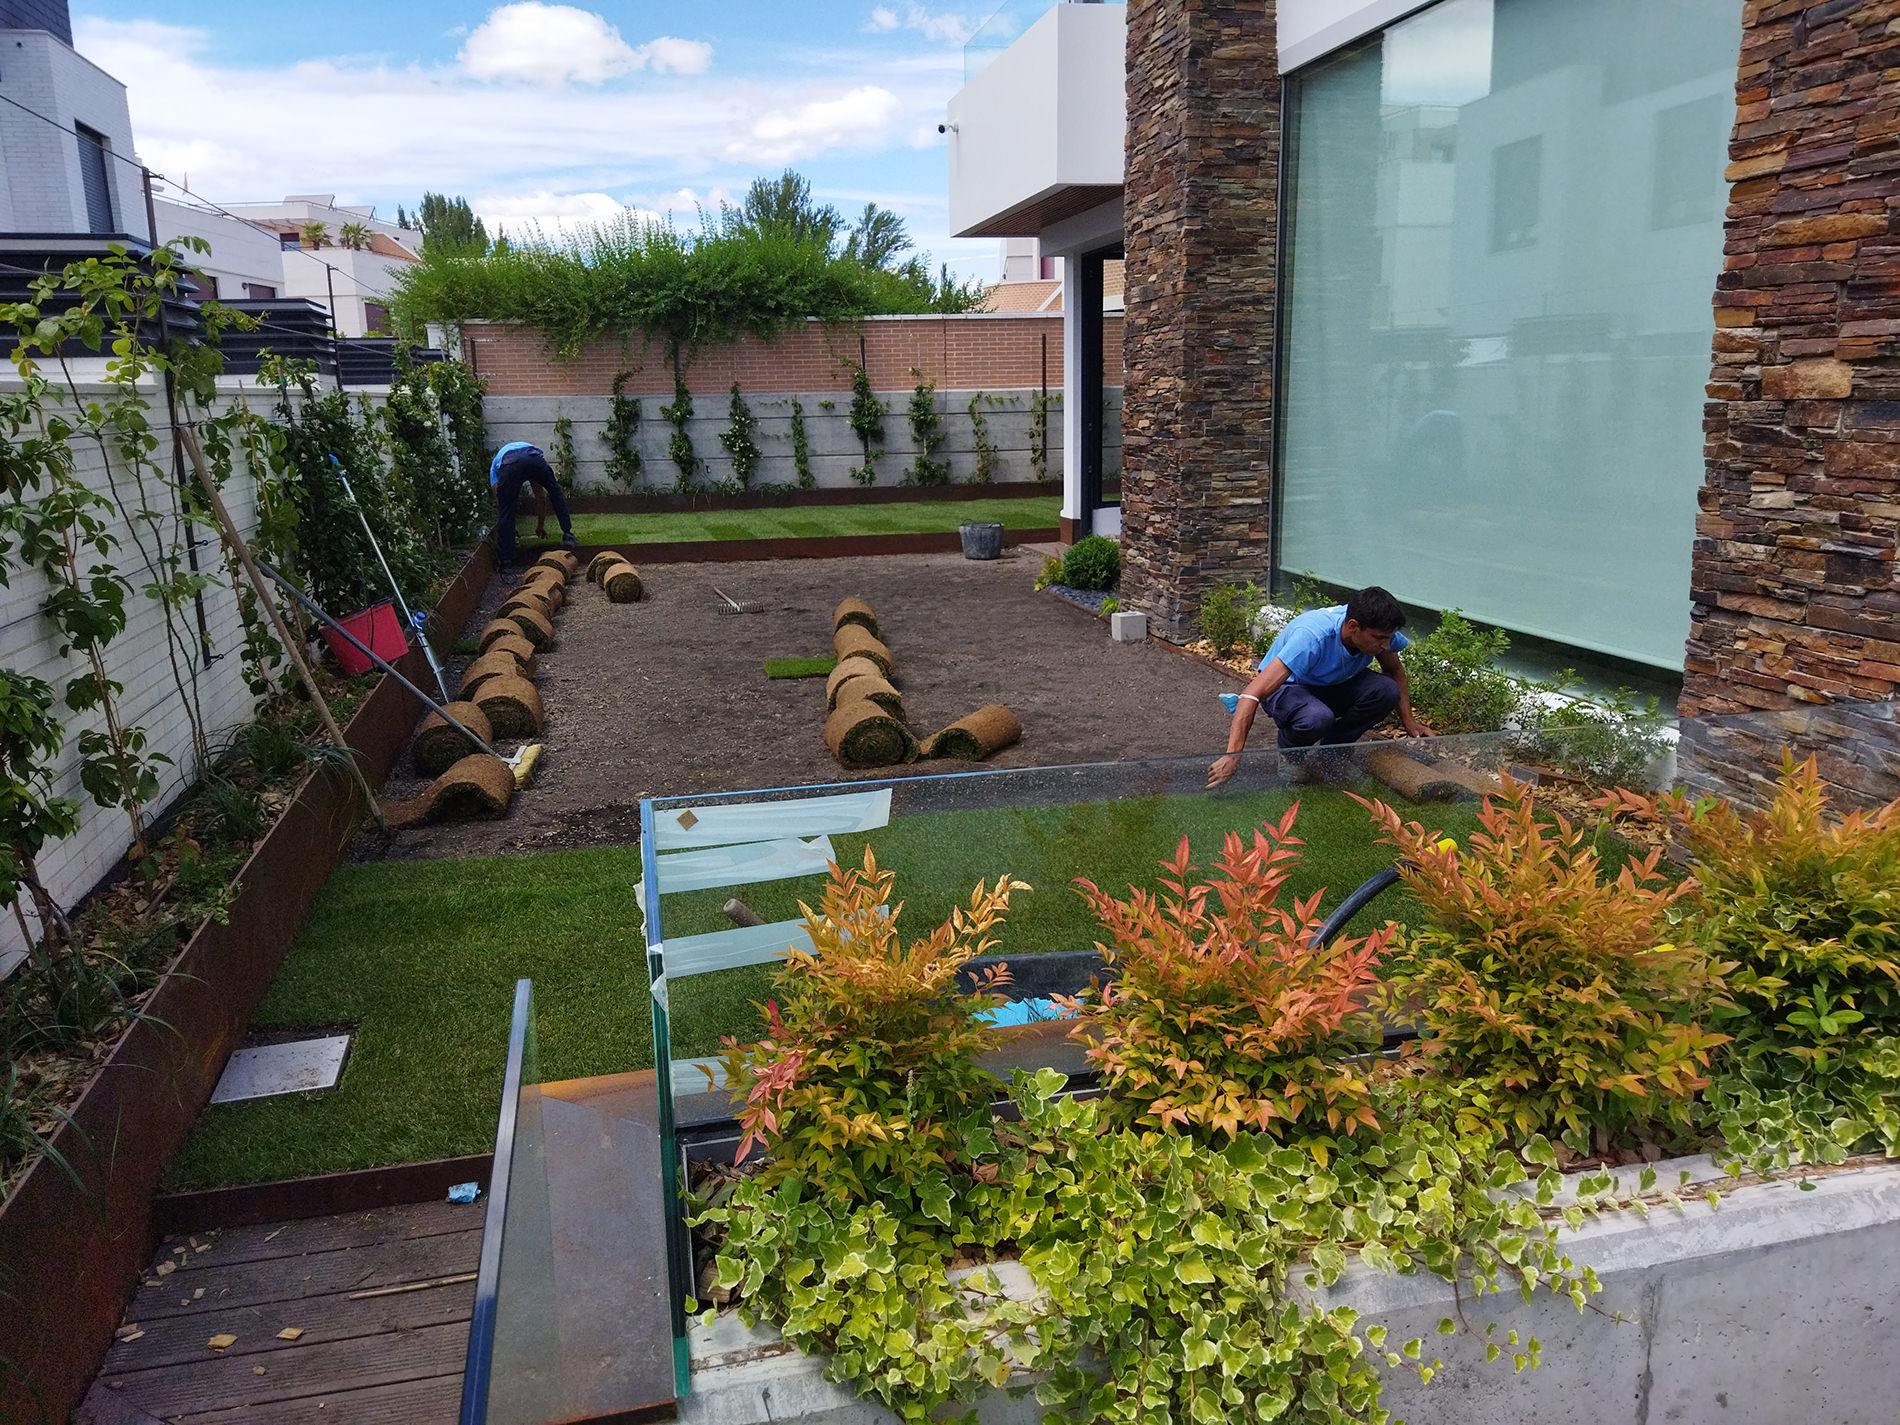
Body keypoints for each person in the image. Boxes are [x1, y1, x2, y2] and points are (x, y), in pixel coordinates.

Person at [1207, 585, 1433, 788]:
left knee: (1387, 690)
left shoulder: (1380, 631)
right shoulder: (1312, 636)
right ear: (1353, 626)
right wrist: (1232, 756)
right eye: (1379, 638)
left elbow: (1394, 672)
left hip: (1331, 683)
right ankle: (1290, 755)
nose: (1386, 645)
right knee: (1316, 718)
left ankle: (1332, 753)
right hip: (1288, 687)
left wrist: (1409, 723)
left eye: (1389, 638)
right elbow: (1251, 694)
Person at [490, 440, 578, 572]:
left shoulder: (495, 467)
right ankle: (568, 535)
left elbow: (500, 500)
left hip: (509, 463)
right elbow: (541, 496)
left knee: (505, 508)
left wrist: (509, 529)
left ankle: (507, 560)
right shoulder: (527, 453)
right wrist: (540, 525)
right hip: (533, 457)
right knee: (555, 492)